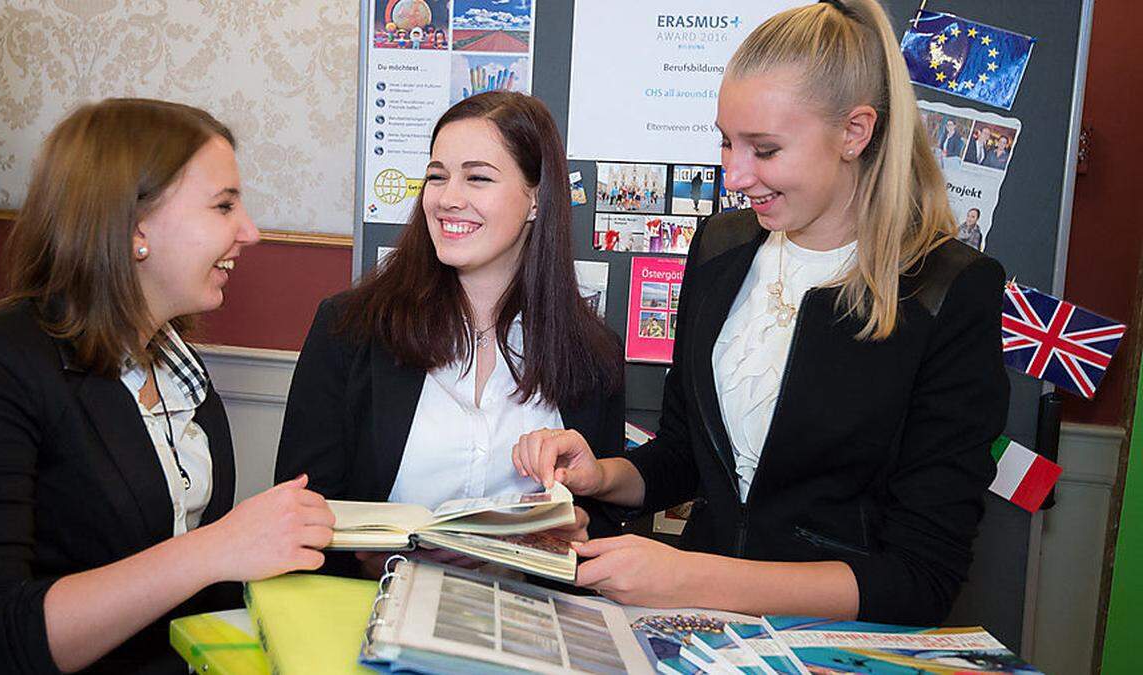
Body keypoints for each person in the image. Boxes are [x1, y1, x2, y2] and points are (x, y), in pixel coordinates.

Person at [513, 0, 1008, 627]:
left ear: (855, 133)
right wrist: (603, 475)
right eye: (725, 142)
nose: (734, 174)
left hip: (835, 645)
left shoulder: (950, 289)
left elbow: (920, 578)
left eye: (765, 149)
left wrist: (692, 576)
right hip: (696, 631)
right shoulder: (720, 247)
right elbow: (686, 455)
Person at [0, 99, 337, 674]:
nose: (249, 231)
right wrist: (218, 548)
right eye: (223, 205)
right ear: (134, 229)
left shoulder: (176, 369)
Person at [275, 91, 624, 579]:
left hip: (524, 630)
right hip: (367, 620)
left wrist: (570, 533)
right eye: (437, 176)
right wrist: (369, 556)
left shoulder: (592, 354)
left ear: (536, 199)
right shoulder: (349, 328)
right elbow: (297, 510)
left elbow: (601, 523)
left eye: (477, 177)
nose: (447, 198)